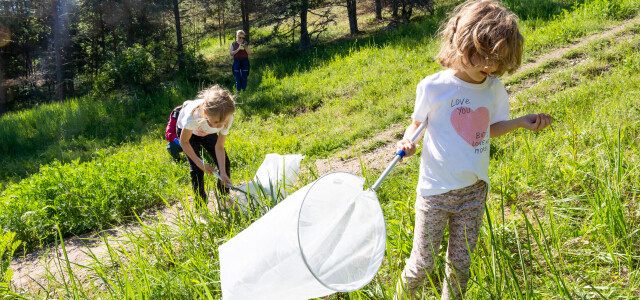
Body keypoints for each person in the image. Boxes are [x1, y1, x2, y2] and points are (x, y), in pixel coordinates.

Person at [394, 1, 552, 299]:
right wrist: (408, 142)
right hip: (435, 192)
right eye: (481, 56)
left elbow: (487, 129)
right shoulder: (433, 87)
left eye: (498, 59)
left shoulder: (493, 89)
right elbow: (416, 126)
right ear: (460, 42)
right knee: (422, 262)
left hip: (474, 191)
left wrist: (519, 123)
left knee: (461, 265)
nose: (490, 67)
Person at [177, 85, 236, 214]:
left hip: (207, 132)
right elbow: (184, 142)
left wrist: (223, 173)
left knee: (224, 165)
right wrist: (200, 163)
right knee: (197, 170)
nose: (220, 126)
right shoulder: (193, 116)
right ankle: (201, 207)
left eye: (223, 123)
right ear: (205, 113)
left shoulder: (225, 117)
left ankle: (224, 200)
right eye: (216, 123)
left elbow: (219, 147)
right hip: (189, 134)